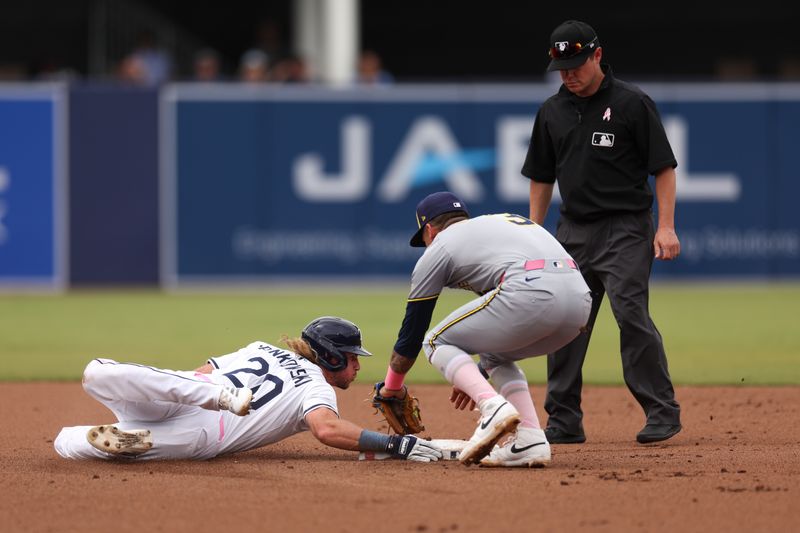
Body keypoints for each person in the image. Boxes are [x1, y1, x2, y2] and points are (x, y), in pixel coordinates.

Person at [522, 20, 682, 445]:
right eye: (561, 67)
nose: (568, 74)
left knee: (630, 313)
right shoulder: (552, 111)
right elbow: (541, 176)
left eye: (576, 64)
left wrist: (665, 226)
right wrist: (534, 232)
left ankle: (661, 411)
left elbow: (663, 168)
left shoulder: (632, 102)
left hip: (627, 227)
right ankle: (564, 419)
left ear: (597, 55)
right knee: (564, 321)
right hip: (572, 230)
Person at [377, 191, 592, 467]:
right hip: (580, 304)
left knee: (433, 341)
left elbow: (412, 335)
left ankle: (492, 407)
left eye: (425, 239)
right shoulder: (497, 227)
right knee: (494, 354)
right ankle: (530, 440)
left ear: (429, 230)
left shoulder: (440, 246)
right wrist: (472, 373)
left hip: (533, 290)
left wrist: (391, 388)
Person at [54, 316, 443, 463]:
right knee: (81, 444)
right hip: (208, 433)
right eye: (351, 357)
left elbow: (202, 370)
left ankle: (128, 432)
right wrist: (392, 444)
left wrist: (160, 396)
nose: (358, 365)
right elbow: (326, 429)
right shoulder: (317, 387)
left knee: (94, 377)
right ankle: (149, 434)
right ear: (331, 357)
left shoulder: (260, 347)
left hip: (184, 392)